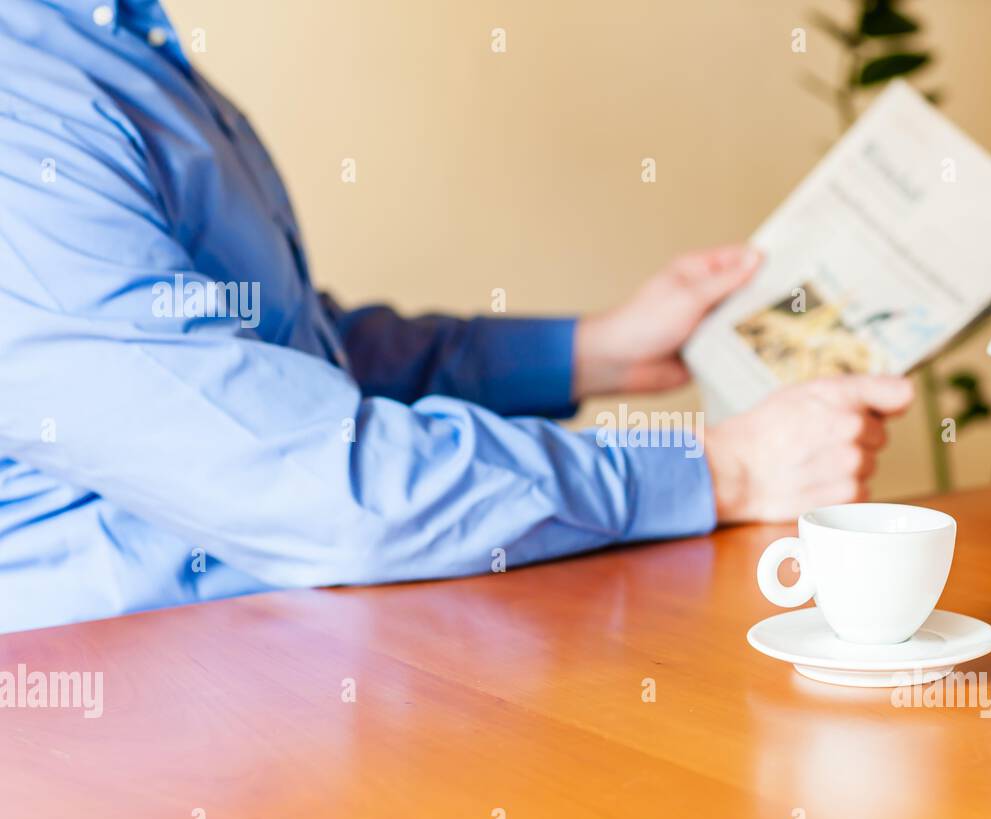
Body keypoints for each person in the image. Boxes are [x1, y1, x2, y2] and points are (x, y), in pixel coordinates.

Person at [0, 0, 912, 633]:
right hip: (122, 741)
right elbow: (318, 486)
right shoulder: (24, 109)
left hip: (292, 650)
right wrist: (723, 471)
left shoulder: (115, 46)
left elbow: (261, 360)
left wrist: (586, 354)